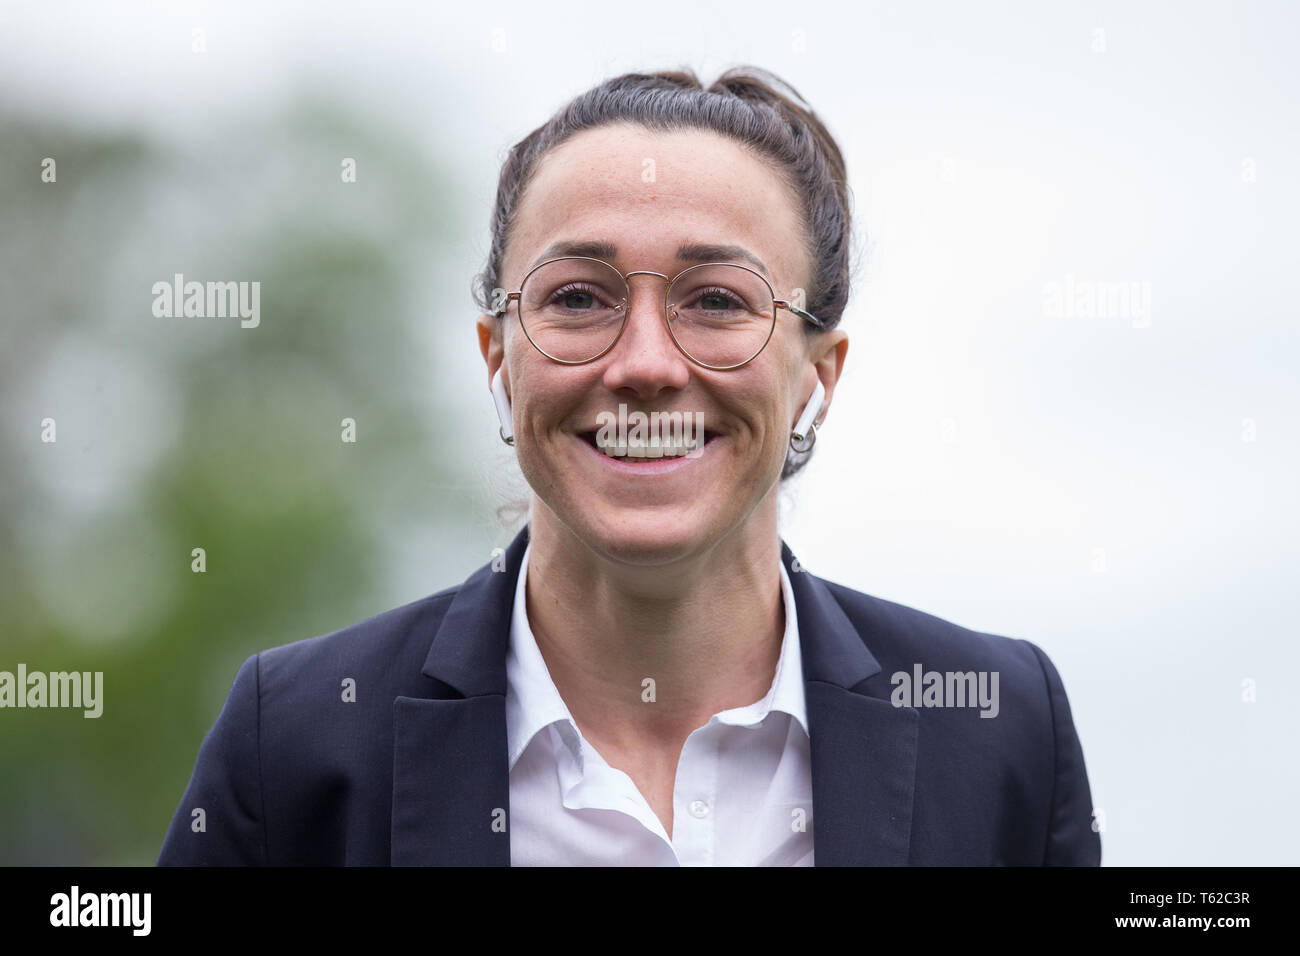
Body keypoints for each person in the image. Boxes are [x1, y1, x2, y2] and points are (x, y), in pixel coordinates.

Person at [158, 65, 1100, 866]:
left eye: (718, 300)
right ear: (499, 356)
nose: (645, 363)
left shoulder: (1002, 733)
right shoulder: (293, 745)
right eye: (577, 296)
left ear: (818, 373)